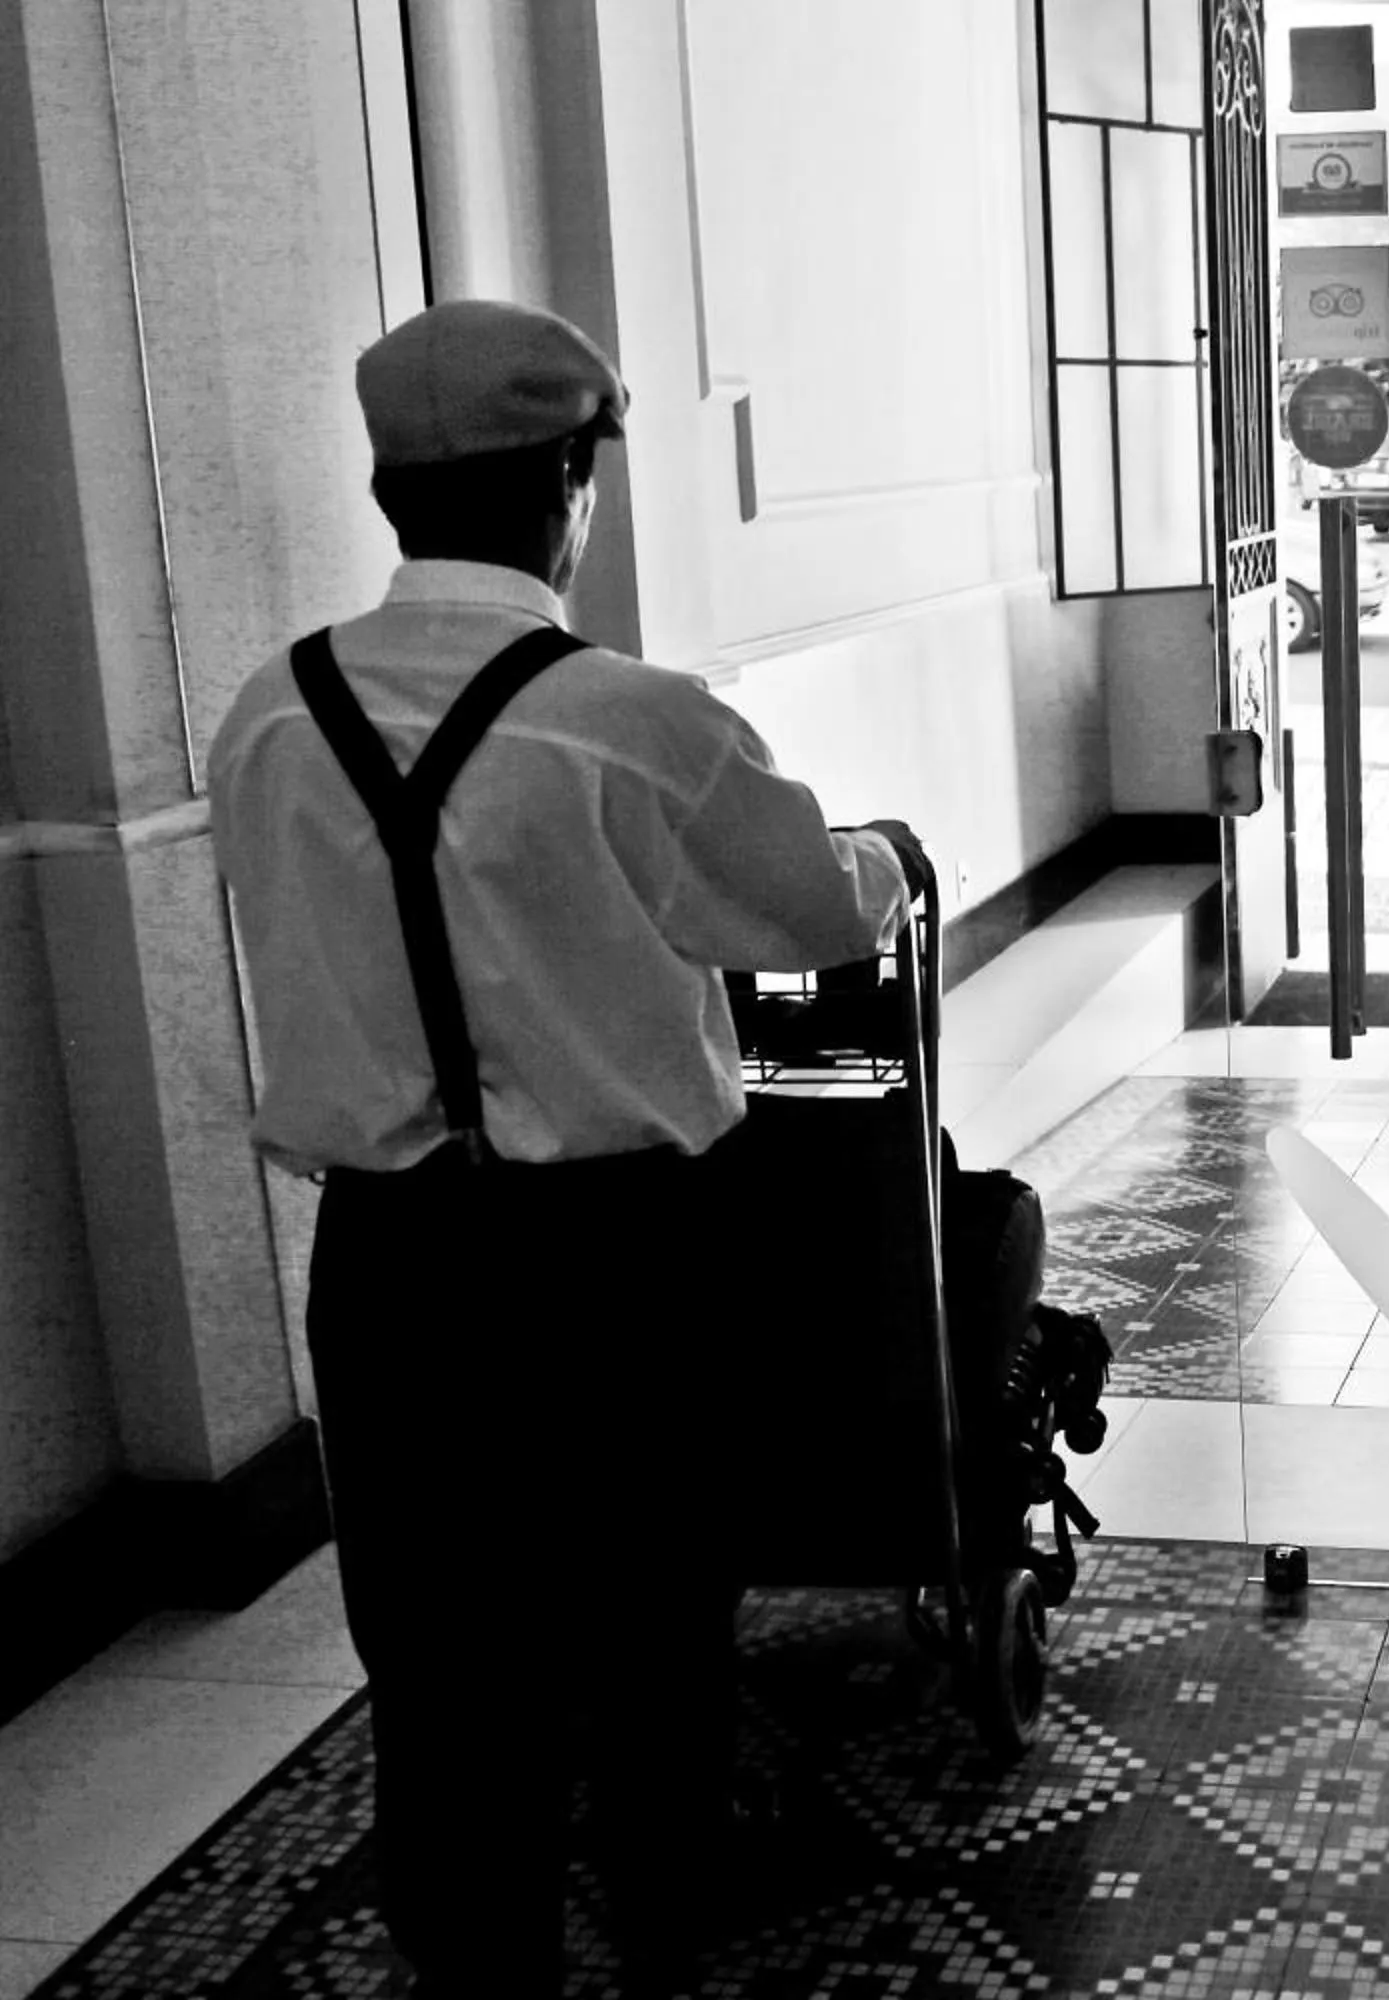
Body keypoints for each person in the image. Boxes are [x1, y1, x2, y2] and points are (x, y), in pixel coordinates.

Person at [206, 298, 914, 1996]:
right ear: (568, 486)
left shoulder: (267, 717)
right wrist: (881, 858)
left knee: (437, 1644)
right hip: (626, 1250)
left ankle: (480, 1955)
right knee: (656, 1593)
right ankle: (669, 1882)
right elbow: (806, 913)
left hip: (387, 1251)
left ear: (392, 491)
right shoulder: (636, 721)